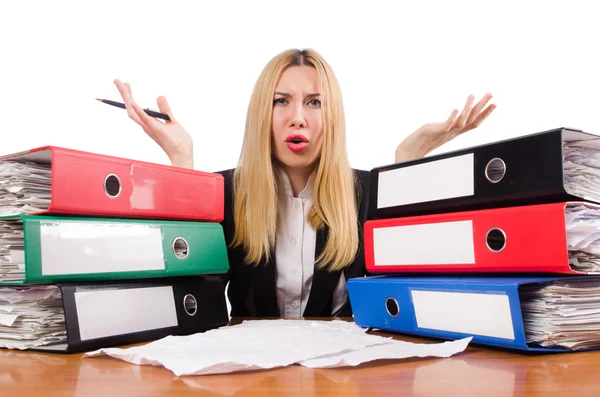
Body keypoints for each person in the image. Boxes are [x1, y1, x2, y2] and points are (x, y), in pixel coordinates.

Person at [114, 48, 496, 318]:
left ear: (333, 116)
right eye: (282, 101)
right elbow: (187, 297)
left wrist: (407, 165)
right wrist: (183, 163)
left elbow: (408, 294)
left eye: (314, 102)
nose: (298, 118)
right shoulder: (224, 193)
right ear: (263, 114)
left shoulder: (369, 193)